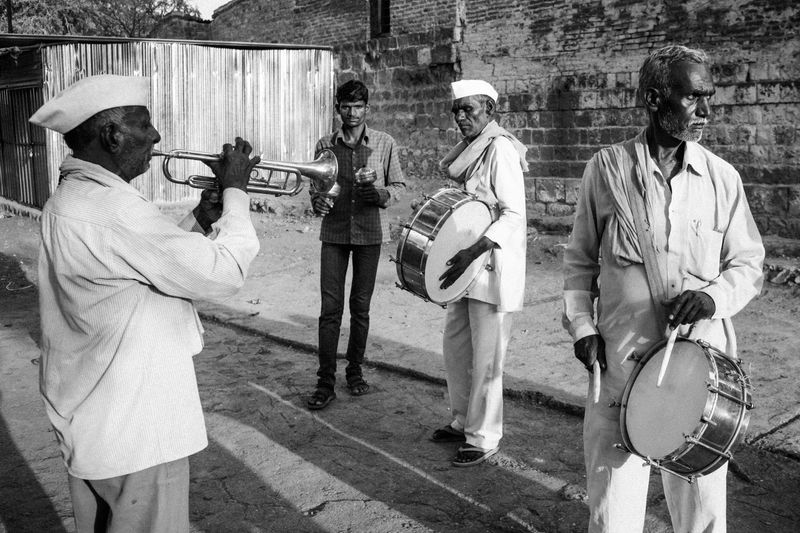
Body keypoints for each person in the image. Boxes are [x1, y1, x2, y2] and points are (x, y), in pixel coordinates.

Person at [30, 74, 261, 532]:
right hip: (136, 431)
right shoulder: (112, 210)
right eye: (144, 123)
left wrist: (200, 218)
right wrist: (236, 190)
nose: (155, 136)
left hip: (97, 425)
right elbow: (225, 271)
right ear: (113, 135)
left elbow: (147, 268)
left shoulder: (74, 198)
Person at [562, 45, 765, 532]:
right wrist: (581, 327)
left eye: (709, 97)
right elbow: (578, 263)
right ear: (655, 99)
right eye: (694, 98)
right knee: (613, 516)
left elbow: (749, 263)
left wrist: (712, 297)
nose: (706, 111)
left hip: (698, 374)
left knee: (702, 516)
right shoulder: (606, 171)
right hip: (620, 366)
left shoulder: (722, 178)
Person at [430, 79, 528, 467]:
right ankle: (462, 419)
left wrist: (474, 249)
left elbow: (514, 213)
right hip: (466, 268)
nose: (461, 116)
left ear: (489, 111)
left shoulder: (500, 149)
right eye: (457, 110)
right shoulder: (473, 150)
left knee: (487, 358)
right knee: (456, 349)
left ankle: (484, 436)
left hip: (489, 266)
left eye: (469, 109)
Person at [306, 79, 405, 410]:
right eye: (345, 106)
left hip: (370, 232)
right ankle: (325, 381)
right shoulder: (325, 143)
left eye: (358, 106)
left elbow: (400, 186)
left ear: (368, 109)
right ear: (337, 108)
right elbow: (317, 185)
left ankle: (355, 372)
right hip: (333, 232)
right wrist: (317, 202)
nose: (351, 112)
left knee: (360, 307)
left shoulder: (384, 143)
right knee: (329, 309)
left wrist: (380, 195)